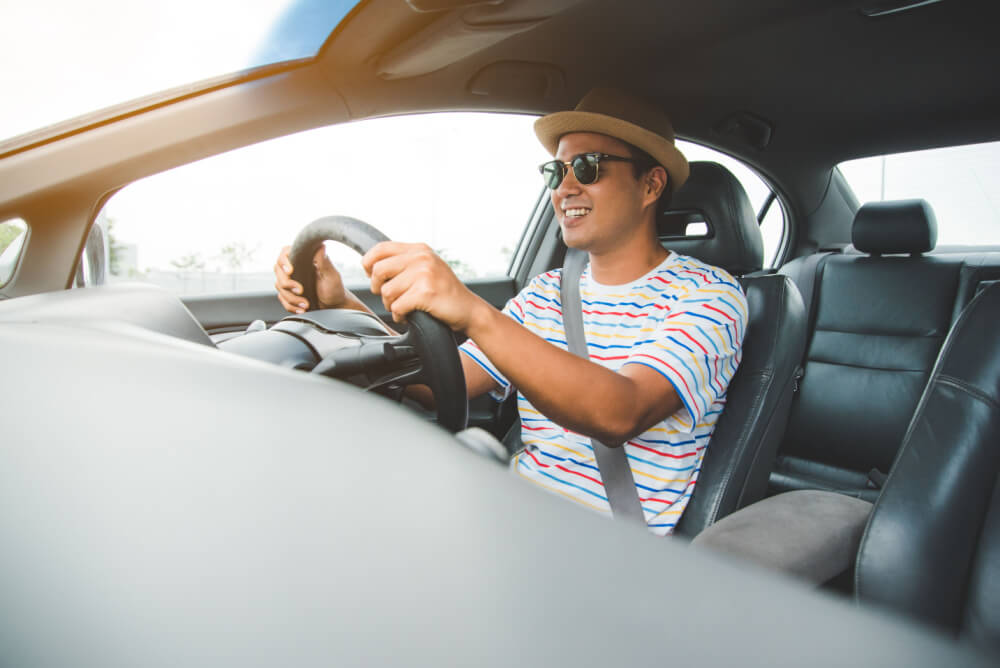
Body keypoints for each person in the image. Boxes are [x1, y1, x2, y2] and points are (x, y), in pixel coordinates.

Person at [274, 88, 748, 535]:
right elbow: (438, 382)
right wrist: (340, 304)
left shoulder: (709, 297)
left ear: (650, 185)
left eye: (587, 168)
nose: (564, 189)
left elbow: (618, 412)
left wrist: (473, 311)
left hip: (605, 554)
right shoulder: (544, 294)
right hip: (507, 517)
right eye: (554, 172)